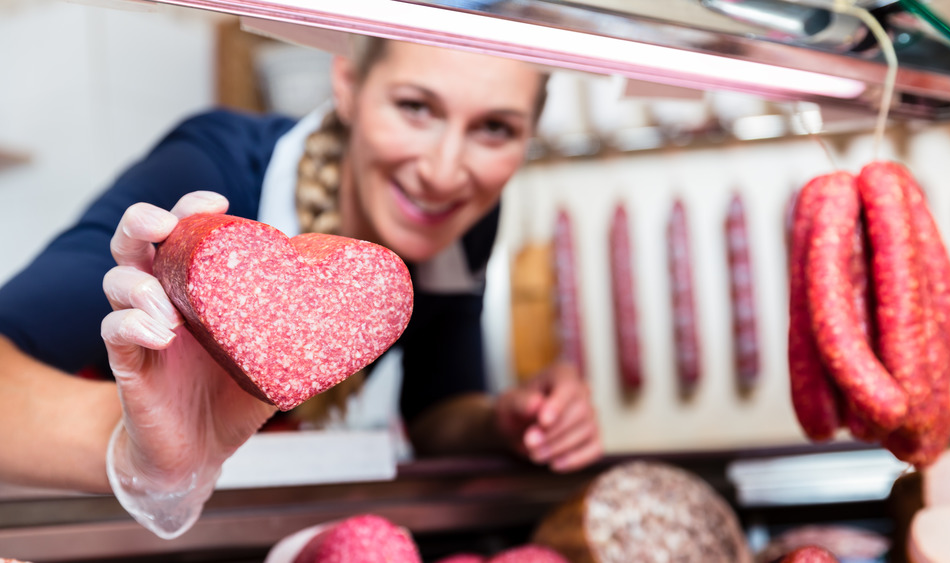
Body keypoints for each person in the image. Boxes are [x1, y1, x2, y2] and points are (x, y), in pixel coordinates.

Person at [0, 36, 601, 538]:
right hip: (93, 523)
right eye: (416, 106)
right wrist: (138, 451)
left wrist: (508, 421)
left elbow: (435, 410)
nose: (444, 171)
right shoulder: (211, 172)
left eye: (495, 128)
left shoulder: (460, 221)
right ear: (347, 82)